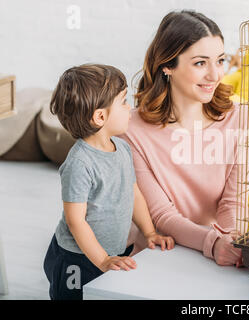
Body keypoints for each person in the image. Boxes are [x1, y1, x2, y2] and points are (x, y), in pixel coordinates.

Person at [122, 10, 249, 267]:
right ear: (167, 66)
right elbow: (161, 215)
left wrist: (231, 241)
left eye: (220, 60)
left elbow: (234, 201)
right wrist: (214, 243)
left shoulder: (243, 117)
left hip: (214, 256)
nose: (215, 75)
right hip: (157, 255)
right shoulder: (130, 130)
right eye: (200, 63)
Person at [43, 64, 175, 300]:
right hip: (77, 259)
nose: (129, 108)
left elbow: (133, 193)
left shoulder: (122, 148)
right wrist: (102, 260)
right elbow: (76, 222)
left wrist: (150, 232)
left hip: (113, 250)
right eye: (123, 102)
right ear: (100, 116)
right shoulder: (79, 164)